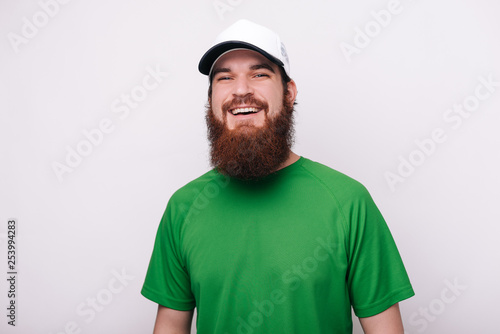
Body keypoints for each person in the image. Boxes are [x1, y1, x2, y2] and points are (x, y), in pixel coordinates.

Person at [141, 19, 414, 334]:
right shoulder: (184, 207)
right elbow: (170, 326)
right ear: (212, 100)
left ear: (289, 92)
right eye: (225, 78)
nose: (241, 90)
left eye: (259, 74)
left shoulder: (348, 201)